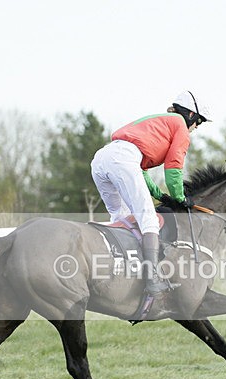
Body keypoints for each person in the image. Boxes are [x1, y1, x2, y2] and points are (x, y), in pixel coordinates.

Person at [90, 91, 211, 296]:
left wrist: (159, 195)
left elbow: (141, 171)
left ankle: (120, 268)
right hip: (123, 160)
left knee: (122, 218)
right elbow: (173, 168)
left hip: (102, 159)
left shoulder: (161, 122)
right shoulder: (180, 127)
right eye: (198, 120)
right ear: (190, 114)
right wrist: (180, 197)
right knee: (149, 220)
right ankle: (152, 277)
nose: (197, 126)